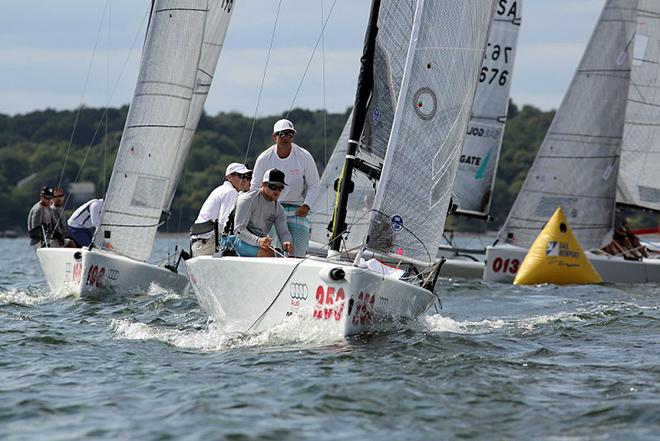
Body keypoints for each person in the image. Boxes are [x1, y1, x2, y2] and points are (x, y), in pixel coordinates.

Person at [250, 119, 320, 257]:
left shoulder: (303, 156)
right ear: (274, 136)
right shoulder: (264, 158)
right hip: (272, 207)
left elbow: (314, 185)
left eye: (290, 134)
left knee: (298, 251)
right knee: (273, 251)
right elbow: (254, 187)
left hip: (297, 209)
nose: (286, 137)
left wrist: (307, 205)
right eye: (282, 134)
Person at [225, 168, 293, 257]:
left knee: (283, 256)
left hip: (257, 243)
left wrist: (286, 242)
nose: (277, 191)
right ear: (263, 184)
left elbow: (283, 232)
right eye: (273, 186)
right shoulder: (247, 200)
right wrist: (258, 241)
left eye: (280, 188)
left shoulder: (279, 209)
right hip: (234, 240)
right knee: (269, 254)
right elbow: (239, 231)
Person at [190, 163, 252, 257]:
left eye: (247, 178)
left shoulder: (220, 190)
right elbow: (224, 227)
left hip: (198, 244)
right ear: (229, 177)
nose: (244, 180)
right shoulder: (230, 192)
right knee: (250, 248)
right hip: (207, 245)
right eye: (241, 176)